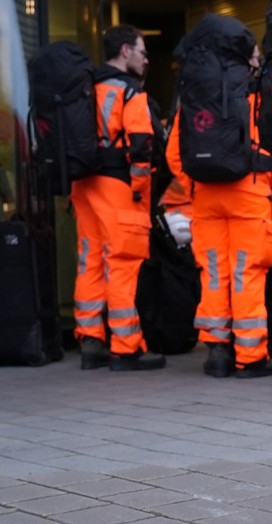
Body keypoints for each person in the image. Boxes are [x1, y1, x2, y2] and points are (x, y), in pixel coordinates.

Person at [166, 15, 272, 378]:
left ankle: (216, 352)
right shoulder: (253, 91)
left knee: (214, 273)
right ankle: (250, 357)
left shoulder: (194, 92)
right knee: (246, 273)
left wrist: (195, 186)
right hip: (248, 194)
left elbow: (174, 154)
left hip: (205, 198)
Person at [70, 24, 166, 371]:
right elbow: (142, 146)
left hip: (83, 184)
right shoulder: (129, 92)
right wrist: (141, 193)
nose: (145, 59)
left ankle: (90, 340)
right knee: (123, 263)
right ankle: (126, 347)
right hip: (117, 187)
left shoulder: (83, 87)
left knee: (89, 261)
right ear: (125, 51)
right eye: (142, 51)